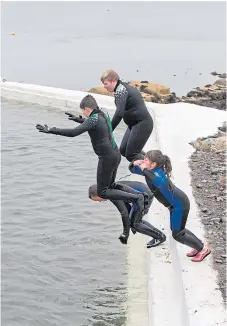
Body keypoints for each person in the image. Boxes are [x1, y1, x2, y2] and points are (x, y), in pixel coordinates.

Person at [36, 94, 147, 216]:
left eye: (83, 112)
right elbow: (96, 125)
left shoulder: (93, 119)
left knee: (103, 192)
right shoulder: (102, 114)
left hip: (107, 158)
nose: (83, 114)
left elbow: (73, 133)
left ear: (87, 109)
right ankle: (142, 195)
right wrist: (79, 120)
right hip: (115, 155)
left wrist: (51, 130)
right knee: (112, 186)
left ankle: (137, 198)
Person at [129, 150, 211, 262]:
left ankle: (203, 249)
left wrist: (143, 169)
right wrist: (134, 163)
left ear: (153, 164)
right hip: (175, 205)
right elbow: (133, 170)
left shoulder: (158, 174)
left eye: (146, 159)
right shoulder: (150, 170)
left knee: (178, 234)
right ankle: (199, 246)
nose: (143, 161)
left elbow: (156, 181)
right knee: (178, 230)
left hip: (180, 205)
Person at [88, 180, 166, 247]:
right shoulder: (109, 189)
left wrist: (125, 233)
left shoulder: (111, 194)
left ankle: (160, 237)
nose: (100, 201)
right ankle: (158, 236)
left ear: (98, 193)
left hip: (144, 196)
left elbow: (124, 213)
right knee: (135, 221)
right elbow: (127, 210)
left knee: (135, 224)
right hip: (143, 193)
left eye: (97, 200)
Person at [101, 69, 153, 162]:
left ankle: (157, 168)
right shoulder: (120, 87)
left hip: (142, 123)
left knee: (131, 154)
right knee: (123, 150)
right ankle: (151, 160)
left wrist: (108, 131)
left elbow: (119, 114)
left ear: (113, 81)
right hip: (133, 124)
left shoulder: (121, 90)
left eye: (105, 84)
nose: (104, 87)